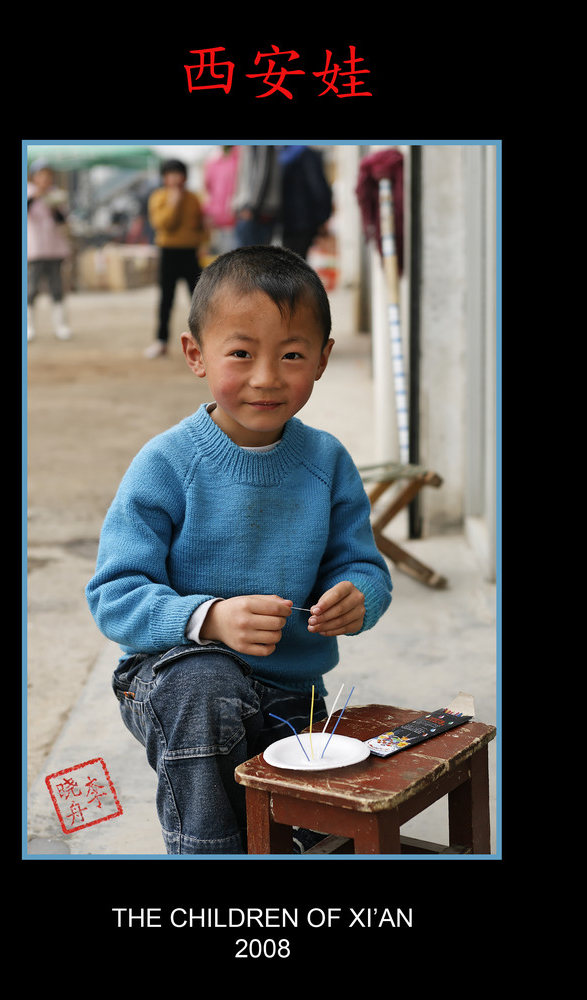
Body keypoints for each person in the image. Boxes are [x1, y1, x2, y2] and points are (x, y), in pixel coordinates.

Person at [86, 245, 393, 854]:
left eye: (292, 355)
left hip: (292, 694)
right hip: (169, 677)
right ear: (196, 355)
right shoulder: (167, 464)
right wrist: (209, 618)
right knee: (206, 685)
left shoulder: (326, 461)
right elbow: (114, 595)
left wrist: (359, 598)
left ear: (323, 359)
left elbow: (361, 562)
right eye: (242, 353)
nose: (267, 378)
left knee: (294, 826)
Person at [145, 159, 207, 358]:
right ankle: (161, 341)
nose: (175, 178)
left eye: (179, 174)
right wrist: (173, 203)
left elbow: (200, 226)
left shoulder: (194, 198)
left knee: (198, 298)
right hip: (168, 251)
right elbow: (163, 224)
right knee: (166, 299)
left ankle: (205, 341)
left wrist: (203, 243)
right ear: (164, 178)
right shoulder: (159, 197)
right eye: (170, 174)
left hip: (191, 252)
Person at [27, 159, 73, 341]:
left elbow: (63, 219)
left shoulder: (56, 196)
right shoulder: (28, 193)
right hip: (34, 249)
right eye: (41, 175)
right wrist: (37, 196)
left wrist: (53, 205)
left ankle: (60, 325)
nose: (45, 179)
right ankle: (28, 327)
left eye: (48, 175)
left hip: (54, 248)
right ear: (35, 177)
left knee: (57, 287)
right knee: (31, 289)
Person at [279, 145, 333, 260]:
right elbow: (319, 187)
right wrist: (323, 217)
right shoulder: (303, 154)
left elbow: (317, 187)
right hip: (301, 221)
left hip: (293, 221)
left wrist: (323, 217)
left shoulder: (286, 154)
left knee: (292, 263)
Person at [233, 145, 281, 246]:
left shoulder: (263, 146)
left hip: (257, 211)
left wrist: (251, 207)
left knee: (251, 257)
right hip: (251, 210)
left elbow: (262, 173)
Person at [203, 145, 240, 254]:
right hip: (217, 222)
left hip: (237, 220)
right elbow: (208, 191)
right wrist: (207, 212)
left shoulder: (241, 159)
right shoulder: (212, 163)